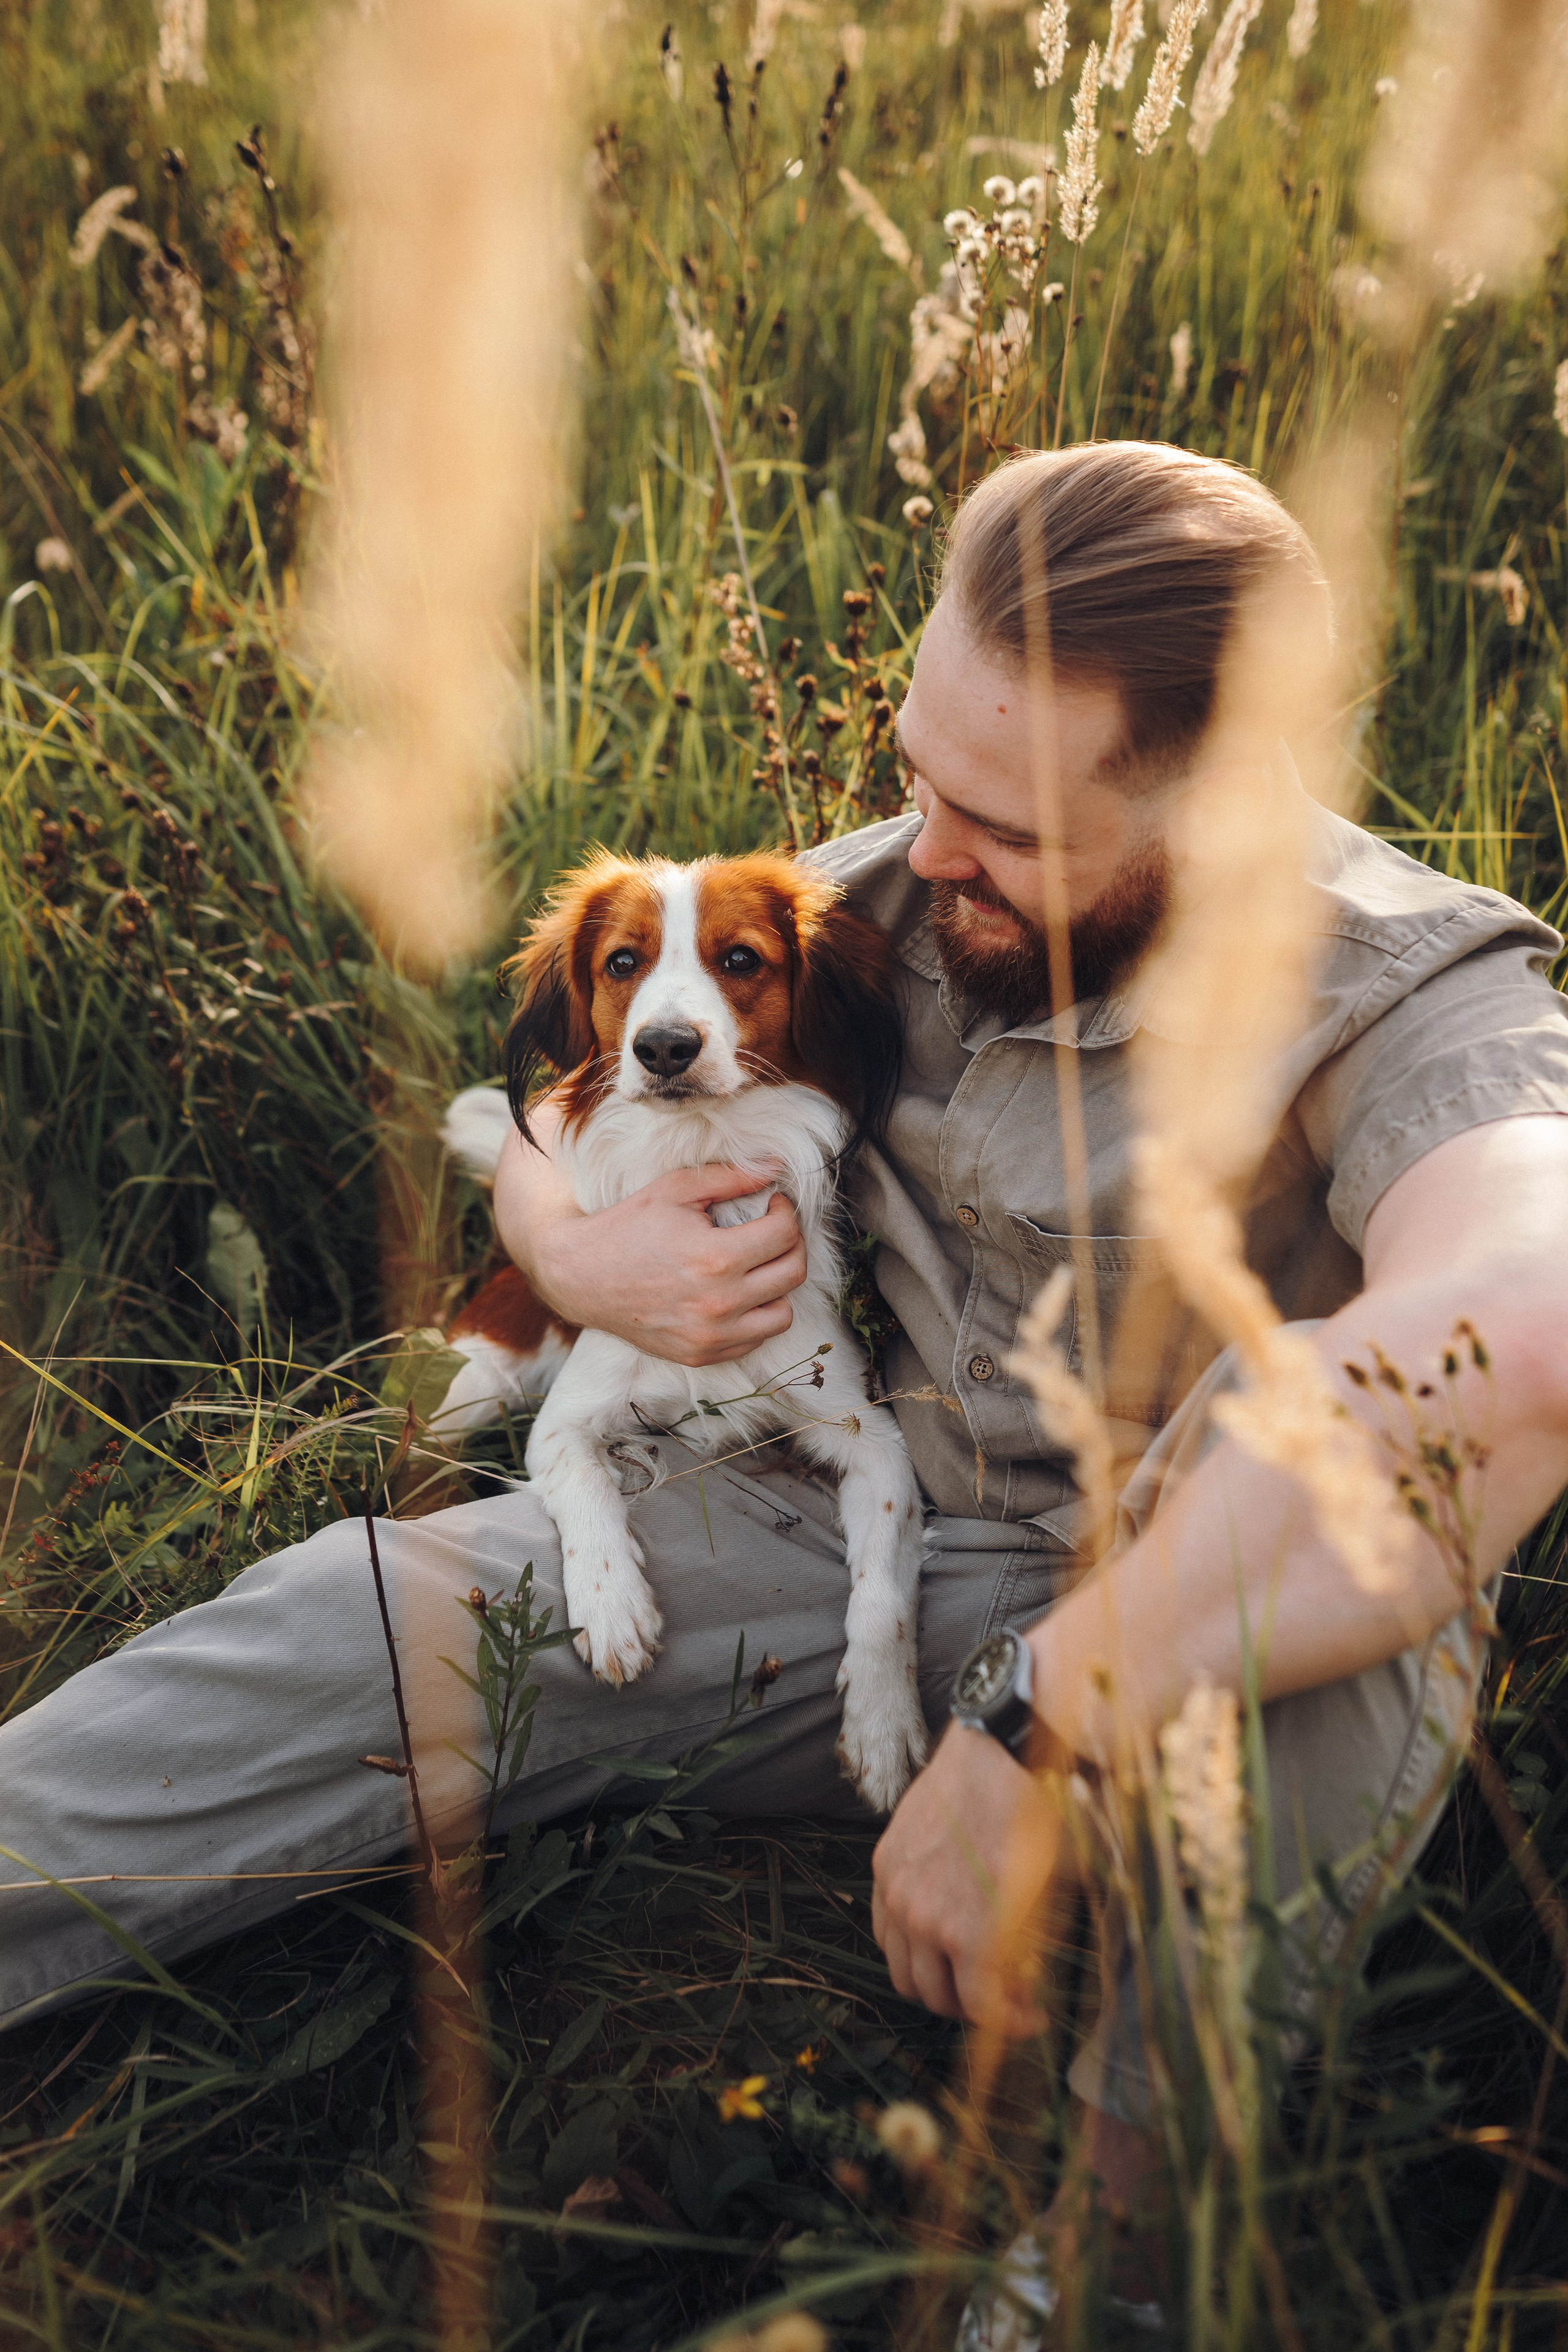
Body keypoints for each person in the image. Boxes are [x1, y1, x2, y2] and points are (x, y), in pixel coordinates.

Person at [3, 443, 1567, 2342]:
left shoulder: (1423, 999)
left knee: (1348, 1583)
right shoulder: (902, 887)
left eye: (997, 821)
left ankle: (1105, 2269)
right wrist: (570, 1253)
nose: (923, 849)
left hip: (1166, 1597)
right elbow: (577, 1082)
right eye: (919, 771)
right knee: (355, 1618)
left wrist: (1043, 1725)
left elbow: (1528, 1324)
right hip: (828, 1514)